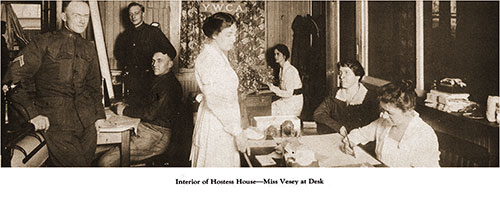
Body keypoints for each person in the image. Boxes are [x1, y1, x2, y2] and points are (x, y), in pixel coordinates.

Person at [1, 1, 106, 166]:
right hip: (56, 121)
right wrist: (33, 114)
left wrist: (99, 116)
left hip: (87, 124)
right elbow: (12, 79)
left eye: (86, 16)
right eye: (76, 15)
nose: (82, 20)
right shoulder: (43, 42)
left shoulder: (88, 48)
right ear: (64, 17)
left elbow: (94, 86)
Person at [99, 49, 182, 167]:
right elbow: (145, 103)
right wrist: (125, 103)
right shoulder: (160, 80)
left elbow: (150, 113)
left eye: (159, 61)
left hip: (157, 135)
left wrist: (124, 110)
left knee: (105, 162)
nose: (154, 64)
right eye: (153, 61)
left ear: (170, 64)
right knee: (98, 150)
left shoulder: (170, 86)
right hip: (147, 129)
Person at [190, 12, 248, 167]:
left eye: (235, 34)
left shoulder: (218, 56)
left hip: (224, 123)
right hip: (216, 126)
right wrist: (237, 132)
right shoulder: (209, 59)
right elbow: (216, 102)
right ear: (215, 35)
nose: (234, 39)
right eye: (229, 34)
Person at [341, 80, 441, 167]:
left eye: (389, 112)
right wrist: (349, 143)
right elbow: (361, 134)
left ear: (408, 111)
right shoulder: (384, 122)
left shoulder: (424, 135)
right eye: (383, 110)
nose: (383, 115)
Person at [114, 2, 176, 106]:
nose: (133, 16)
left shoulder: (153, 32)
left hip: (150, 80)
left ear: (143, 14)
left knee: (147, 111)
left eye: (136, 13)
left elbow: (171, 52)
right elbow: (119, 55)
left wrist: (155, 63)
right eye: (131, 14)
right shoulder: (125, 35)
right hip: (132, 82)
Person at [313, 60, 378, 134]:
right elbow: (318, 113)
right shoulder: (335, 93)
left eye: (346, 73)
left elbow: (372, 126)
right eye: (340, 72)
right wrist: (338, 127)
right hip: (336, 137)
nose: (341, 76)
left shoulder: (370, 97)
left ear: (357, 76)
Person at [266, 44, 303, 116]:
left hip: (293, 103)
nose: (275, 56)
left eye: (278, 54)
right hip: (287, 100)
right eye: (275, 54)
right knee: (269, 108)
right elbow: (282, 89)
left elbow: (289, 93)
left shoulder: (290, 70)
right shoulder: (281, 69)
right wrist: (270, 85)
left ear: (284, 56)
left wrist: (273, 89)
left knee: (270, 110)